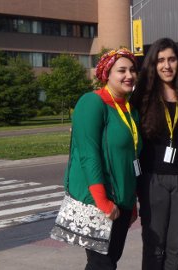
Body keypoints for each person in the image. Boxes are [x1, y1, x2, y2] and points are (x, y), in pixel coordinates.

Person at [67, 48, 142, 270]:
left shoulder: (130, 110)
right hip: (97, 201)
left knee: (110, 261)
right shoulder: (91, 102)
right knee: (102, 264)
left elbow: (131, 157)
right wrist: (102, 202)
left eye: (132, 70)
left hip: (122, 200)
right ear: (107, 74)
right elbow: (88, 154)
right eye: (121, 70)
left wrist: (131, 201)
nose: (129, 75)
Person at [130, 38, 178, 270]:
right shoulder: (141, 98)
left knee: (176, 243)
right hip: (152, 179)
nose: (166, 65)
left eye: (171, 59)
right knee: (154, 244)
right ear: (153, 64)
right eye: (161, 60)